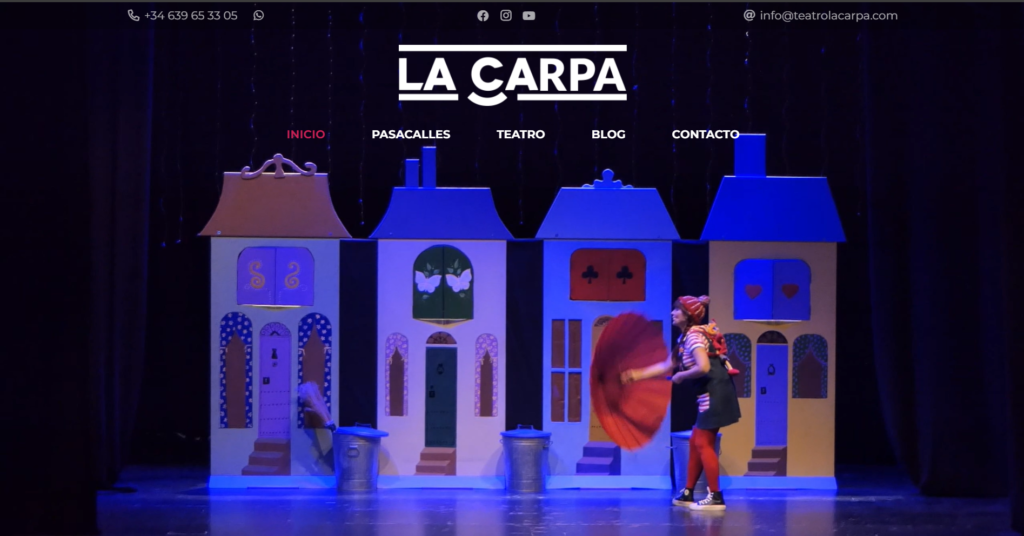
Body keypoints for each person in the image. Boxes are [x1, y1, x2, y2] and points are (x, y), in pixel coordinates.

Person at [620, 295, 741, 511]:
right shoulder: (685, 338)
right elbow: (668, 365)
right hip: (709, 393)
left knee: (703, 443)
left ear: (688, 315)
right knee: (696, 441)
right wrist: (637, 375)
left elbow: (703, 367)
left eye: (677, 310)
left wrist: (681, 376)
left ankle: (715, 496)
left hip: (715, 392)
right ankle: (688, 492)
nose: (672, 313)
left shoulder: (694, 337)